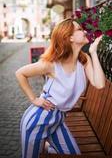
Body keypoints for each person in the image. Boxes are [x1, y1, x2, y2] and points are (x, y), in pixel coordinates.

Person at [15, 18, 105, 158]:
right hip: (38, 121)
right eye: (80, 29)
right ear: (69, 37)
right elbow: (20, 73)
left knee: (74, 154)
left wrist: (94, 52)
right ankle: (43, 146)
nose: (85, 31)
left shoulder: (84, 59)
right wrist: (34, 99)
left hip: (58, 121)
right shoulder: (52, 64)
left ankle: (46, 146)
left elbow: (99, 84)